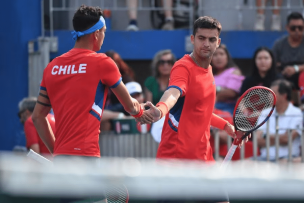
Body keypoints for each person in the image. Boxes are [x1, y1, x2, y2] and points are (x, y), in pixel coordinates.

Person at [32, 5, 152, 158]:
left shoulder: (52, 67)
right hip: (86, 156)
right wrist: (142, 112)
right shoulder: (103, 63)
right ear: (96, 34)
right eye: (104, 32)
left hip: (61, 158)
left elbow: (37, 116)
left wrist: (56, 152)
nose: (103, 36)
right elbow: (130, 106)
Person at [255, 79, 303, 161]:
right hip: (264, 159)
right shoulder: (264, 113)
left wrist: (265, 136)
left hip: (288, 160)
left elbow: (287, 139)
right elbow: (257, 141)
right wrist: (280, 139)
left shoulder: (297, 113)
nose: (269, 96)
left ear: (284, 95)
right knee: (243, 164)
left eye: (273, 93)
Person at [272, 12, 304, 90]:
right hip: (284, 78)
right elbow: (272, 64)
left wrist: (296, 69)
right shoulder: (279, 44)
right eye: (293, 28)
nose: (297, 31)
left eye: (300, 28)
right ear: (287, 28)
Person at [211, 44, 244, 114]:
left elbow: (231, 93)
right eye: (215, 55)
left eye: (221, 54)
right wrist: (221, 89)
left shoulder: (234, 71)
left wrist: (216, 93)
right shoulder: (208, 74)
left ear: (227, 57)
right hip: (209, 107)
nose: (218, 57)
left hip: (228, 108)